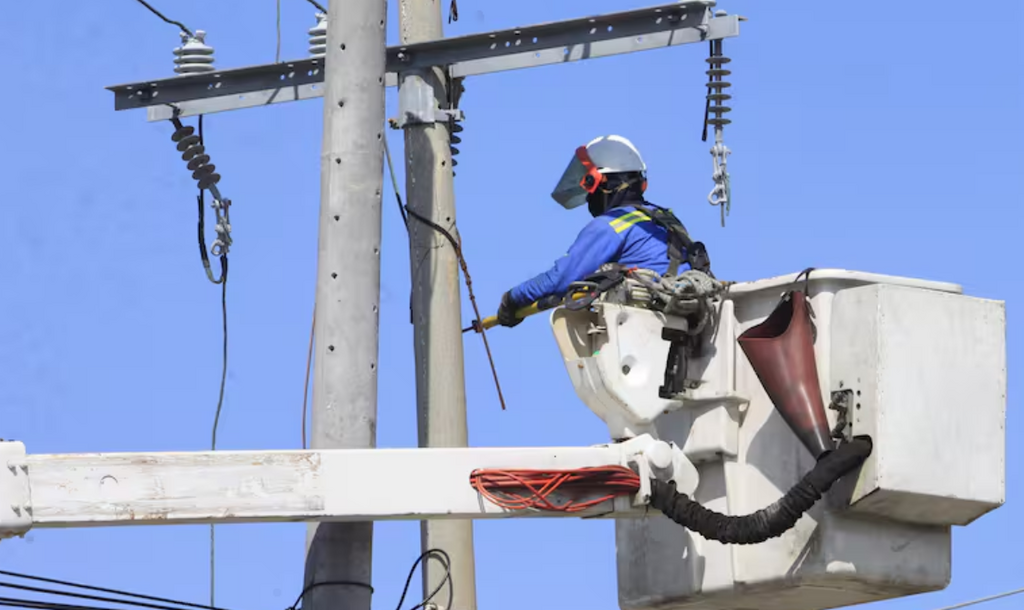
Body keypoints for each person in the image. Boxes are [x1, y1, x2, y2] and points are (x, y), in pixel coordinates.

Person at [496, 134, 712, 328]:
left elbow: (561, 279)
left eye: (589, 187)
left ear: (602, 183)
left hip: (651, 326)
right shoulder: (664, 218)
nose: (589, 197)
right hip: (690, 321)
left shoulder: (611, 224)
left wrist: (512, 300)